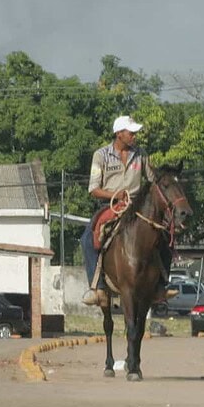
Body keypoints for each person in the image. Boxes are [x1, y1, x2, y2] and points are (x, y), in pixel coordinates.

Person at [79, 115, 171, 306]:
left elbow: (153, 180)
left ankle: (161, 285)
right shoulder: (100, 155)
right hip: (110, 204)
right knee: (88, 237)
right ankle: (98, 287)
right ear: (119, 134)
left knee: (164, 237)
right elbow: (93, 189)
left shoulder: (141, 154)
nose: (135, 136)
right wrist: (115, 194)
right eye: (131, 133)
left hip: (137, 207)